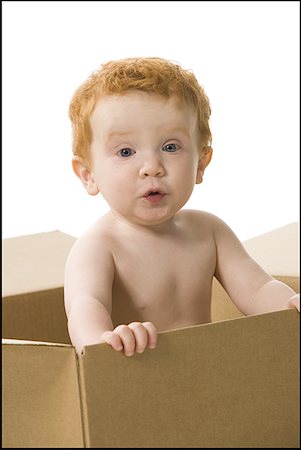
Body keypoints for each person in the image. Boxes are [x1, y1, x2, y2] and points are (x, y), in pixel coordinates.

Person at [64, 57, 299, 356]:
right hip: (133, 379)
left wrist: (288, 302)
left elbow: (257, 290)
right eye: (126, 151)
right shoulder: (98, 247)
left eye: (170, 147)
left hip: (202, 374)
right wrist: (106, 338)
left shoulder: (209, 231)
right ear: (89, 175)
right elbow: (85, 308)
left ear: (201, 164)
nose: (152, 167)